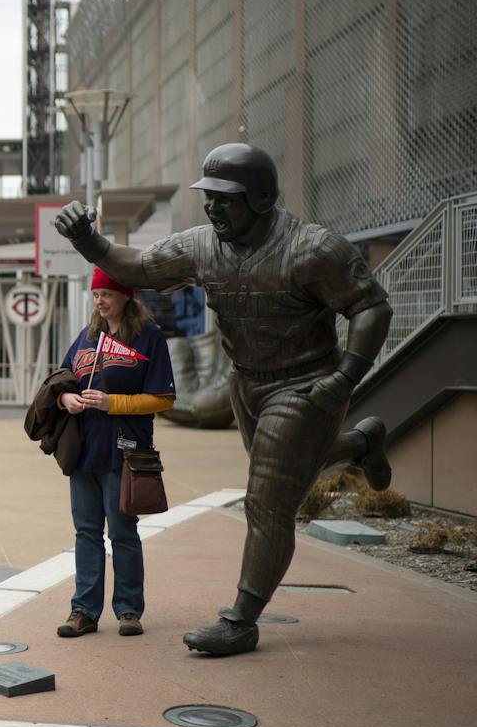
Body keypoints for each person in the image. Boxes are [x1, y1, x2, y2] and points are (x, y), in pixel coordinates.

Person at [54, 142, 392, 656]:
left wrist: (345, 378)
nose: (212, 207)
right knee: (291, 470)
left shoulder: (313, 249)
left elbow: (371, 308)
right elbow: (139, 267)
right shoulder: (202, 245)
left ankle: (241, 619)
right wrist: (87, 240)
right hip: (247, 383)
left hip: (305, 384)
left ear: (259, 198)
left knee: (267, 501)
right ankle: (360, 443)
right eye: (207, 197)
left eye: (224, 199)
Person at [56, 268, 176, 640]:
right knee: (86, 532)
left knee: (123, 532)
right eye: (96, 295)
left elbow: (164, 398)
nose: (100, 301)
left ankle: (128, 609)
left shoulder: (149, 338)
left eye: (107, 294)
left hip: (124, 451)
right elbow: (60, 379)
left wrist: (113, 403)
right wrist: (66, 398)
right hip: (84, 451)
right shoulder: (87, 336)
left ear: (126, 296)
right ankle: (84, 610)